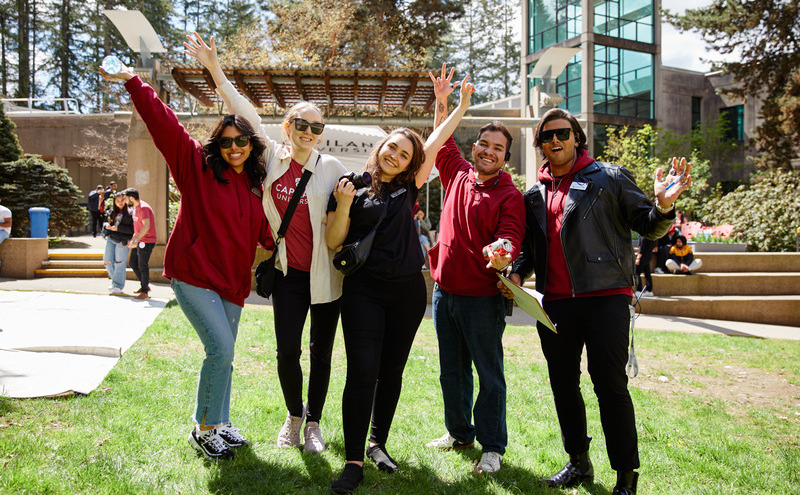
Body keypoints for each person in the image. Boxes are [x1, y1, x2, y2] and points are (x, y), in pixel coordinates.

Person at [504, 108, 692, 495]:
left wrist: (663, 207)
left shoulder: (609, 176)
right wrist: (518, 273)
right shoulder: (534, 194)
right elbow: (529, 250)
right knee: (563, 385)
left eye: (562, 133)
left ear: (577, 137)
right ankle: (578, 462)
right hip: (554, 304)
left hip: (605, 297)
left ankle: (626, 476)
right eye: (546, 136)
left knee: (609, 385)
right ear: (540, 145)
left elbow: (647, 224)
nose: (555, 141)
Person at [101, 61, 272, 460]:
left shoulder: (255, 185)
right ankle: (204, 427)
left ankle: (222, 421)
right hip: (194, 275)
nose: (234, 148)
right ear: (218, 145)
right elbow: (166, 126)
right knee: (221, 350)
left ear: (252, 144)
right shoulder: (196, 167)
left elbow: (265, 232)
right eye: (227, 141)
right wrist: (133, 81)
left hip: (233, 281)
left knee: (226, 353)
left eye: (241, 140)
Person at [185, 32, 347, 453]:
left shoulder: (331, 167)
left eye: (318, 126)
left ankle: (314, 422)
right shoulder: (271, 156)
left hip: (326, 277)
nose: (310, 131)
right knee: (287, 352)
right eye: (303, 125)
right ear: (288, 127)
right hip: (288, 274)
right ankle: (294, 416)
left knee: (321, 354)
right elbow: (241, 110)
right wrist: (215, 68)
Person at [324, 69, 476, 494]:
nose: (396, 155)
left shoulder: (410, 187)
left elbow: (438, 138)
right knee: (363, 371)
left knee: (392, 370)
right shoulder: (353, 185)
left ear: (412, 164)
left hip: (408, 291)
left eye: (406, 153)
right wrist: (343, 205)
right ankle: (353, 460)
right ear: (380, 146)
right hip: (364, 291)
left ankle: (377, 444)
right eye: (392, 146)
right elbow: (334, 243)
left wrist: (456, 104)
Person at [424, 64, 525, 476]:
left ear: (505, 157)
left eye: (497, 148)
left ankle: (492, 446)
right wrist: (444, 102)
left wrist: (502, 255)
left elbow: (510, 237)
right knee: (452, 372)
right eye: (483, 143)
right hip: (443, 294)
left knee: (489, 375)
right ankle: (459, 433)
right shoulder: (457, 173)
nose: (488, 151)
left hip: (482, 300)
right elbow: (440, 140)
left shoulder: (510, 196)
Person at [123, 188, 157, 300]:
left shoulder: (143, 208)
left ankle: (144, 292)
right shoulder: (135, 208)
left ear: (131, 198)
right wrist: (133, 239)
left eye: (126, 198)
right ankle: (145, 285)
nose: (125, 200)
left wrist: (136, 240)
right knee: (133, 263)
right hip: (139, 240)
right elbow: (137, 227)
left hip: (146, 241)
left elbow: (146, 226)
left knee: (143, 265)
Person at [103, 191, 134, 295]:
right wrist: (107, 225)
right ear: (114, 202)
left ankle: (118, 286)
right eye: (118, 201)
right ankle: (115, 282)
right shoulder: (112, 211)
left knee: (120, 263)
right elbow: (106, 221)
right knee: (107, 261)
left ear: (125, 200)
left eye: (122, 200)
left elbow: (132, 230)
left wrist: (118, 228)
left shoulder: (130, 212)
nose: (120, 202)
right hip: (111, 238)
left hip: (122, 240)